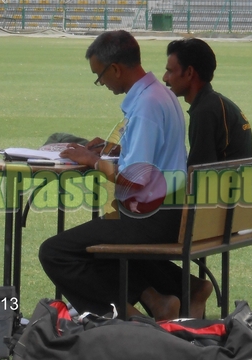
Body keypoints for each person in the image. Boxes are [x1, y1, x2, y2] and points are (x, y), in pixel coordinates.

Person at [38, 30, 187, 320]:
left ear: (115, 69)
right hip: (170, 209)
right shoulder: (159, 94)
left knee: (55, 252)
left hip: (151, 217)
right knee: (93, 241)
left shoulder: (145, 106)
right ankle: (163, 299)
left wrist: (92, 160)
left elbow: (135, 177)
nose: (101, 82)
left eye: (100, 75)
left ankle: (128, 320)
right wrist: (118, 150)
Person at [163, 38, 252, 164]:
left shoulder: (205, 112)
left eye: (170, 71)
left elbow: (199, 175)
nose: (165, 78)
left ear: (189, 72)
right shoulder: (217, 104)